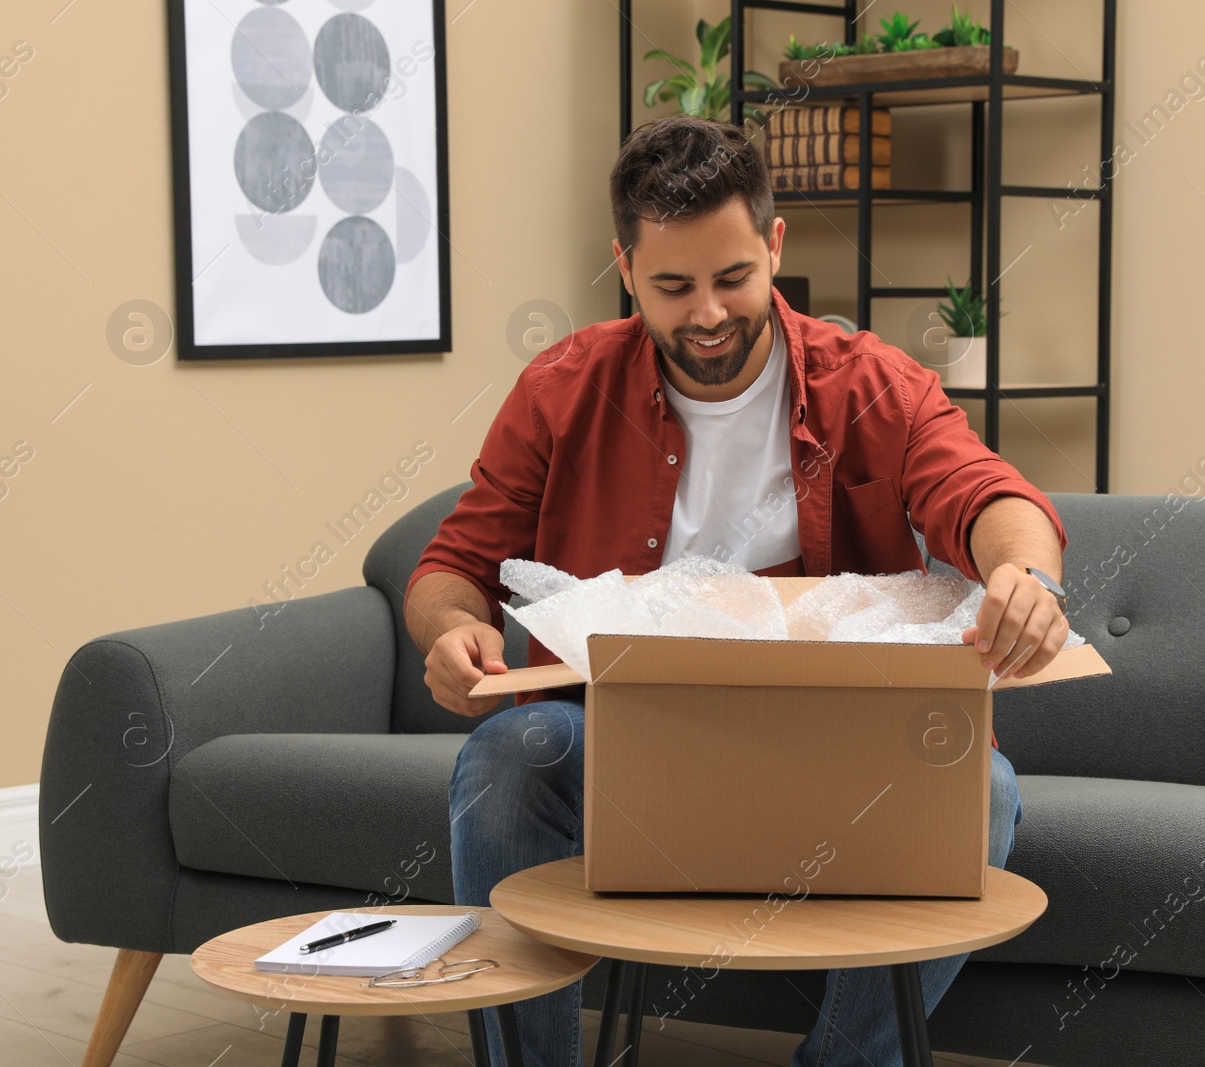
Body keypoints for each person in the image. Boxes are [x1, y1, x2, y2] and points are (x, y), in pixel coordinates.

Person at [404, 113, 1069, 1067]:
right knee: (509, 755)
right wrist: (453, 633)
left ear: (775, 246)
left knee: (987, 790)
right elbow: (451, 568)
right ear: (626, 269)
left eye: (733, 278)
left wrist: (1025, 575)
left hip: (838, 748)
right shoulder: (561, 391)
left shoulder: (871, 382)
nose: (708, 314)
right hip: (626, 745)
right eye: (673, 287)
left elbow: (988, 493)